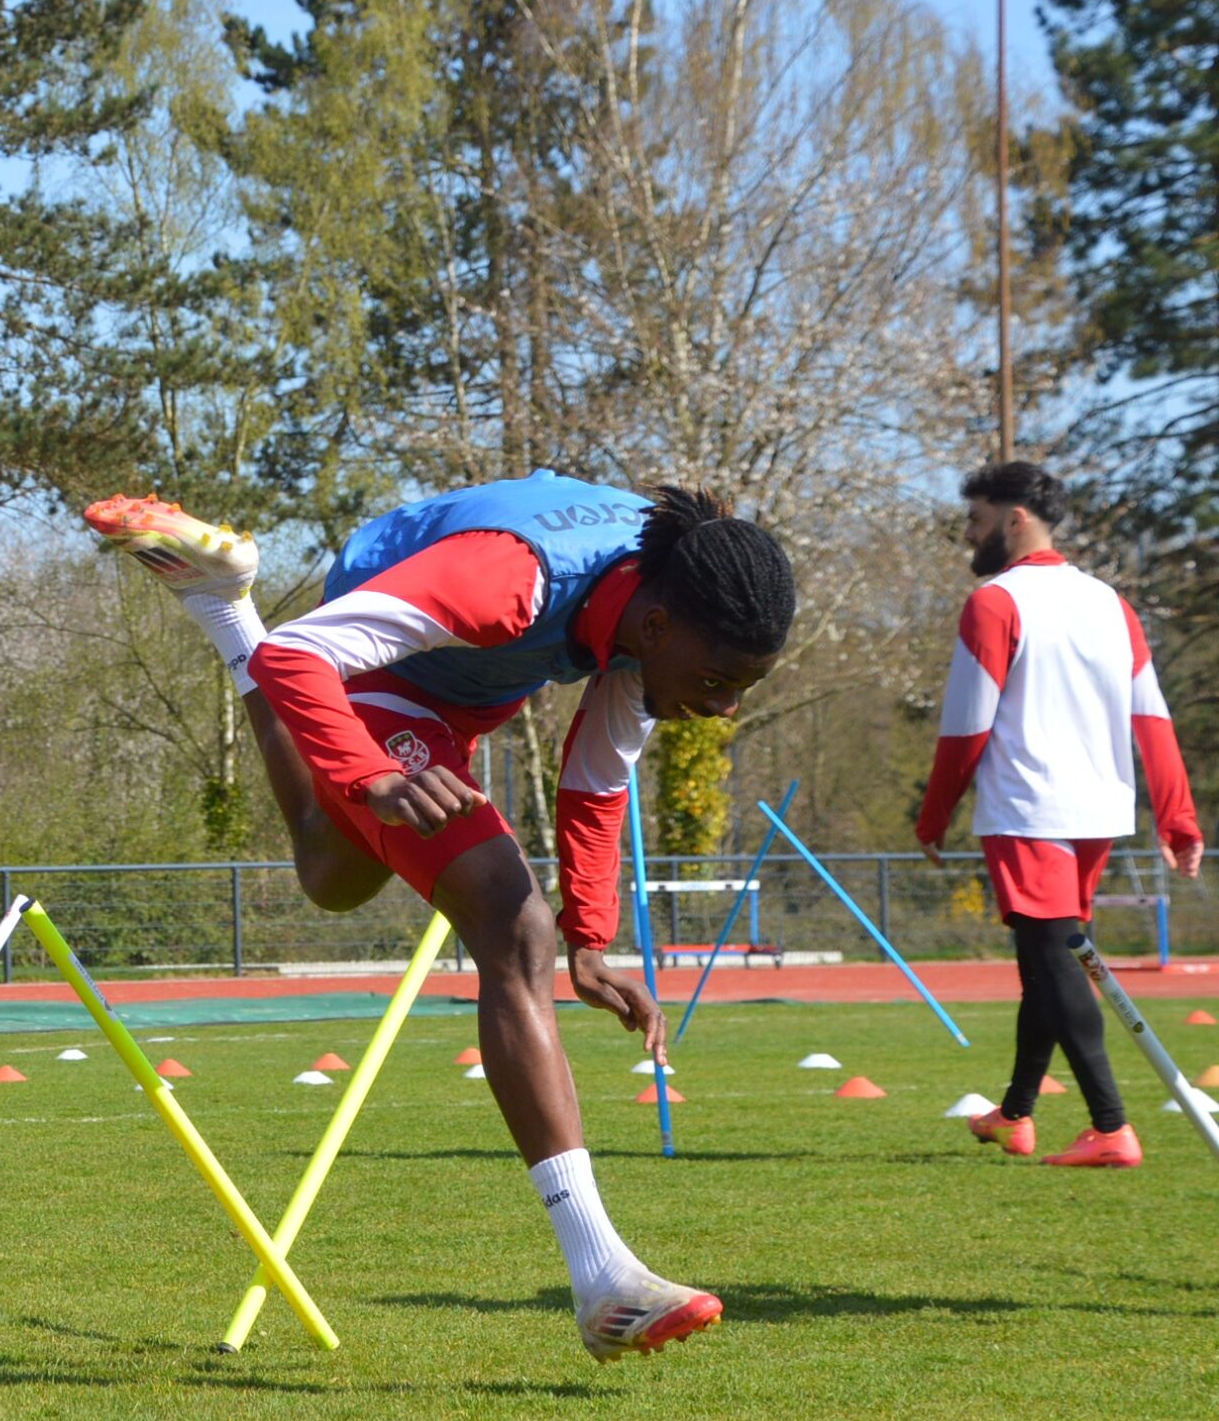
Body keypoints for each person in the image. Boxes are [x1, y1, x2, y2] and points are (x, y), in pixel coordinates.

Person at [88, 475, 796, 1362]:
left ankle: (222, 604)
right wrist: (372, 775)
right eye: (719, 681)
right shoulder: (507, 583)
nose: (725, 708)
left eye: (744, 688)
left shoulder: (655, 604)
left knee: (331, 873)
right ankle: (602, 1274)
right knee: (512, 924)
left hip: (457, 695)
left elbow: (596, 780)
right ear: (656, 626)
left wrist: (591, 939)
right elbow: (297, 657)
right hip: (367, 671)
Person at [915, 462, 1202, 1168]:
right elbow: (1153, 718)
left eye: (977, 519)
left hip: (1028, 809)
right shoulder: (1111, 603)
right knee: (1045, 961)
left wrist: (934, 815)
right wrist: (1177, 817)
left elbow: (966, 726)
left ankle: (1110, 1126)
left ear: (1016, 518)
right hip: (1098, 811)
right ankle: (1015, 1114)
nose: (968, 534)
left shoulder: (994, 602)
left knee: (1054, 961)